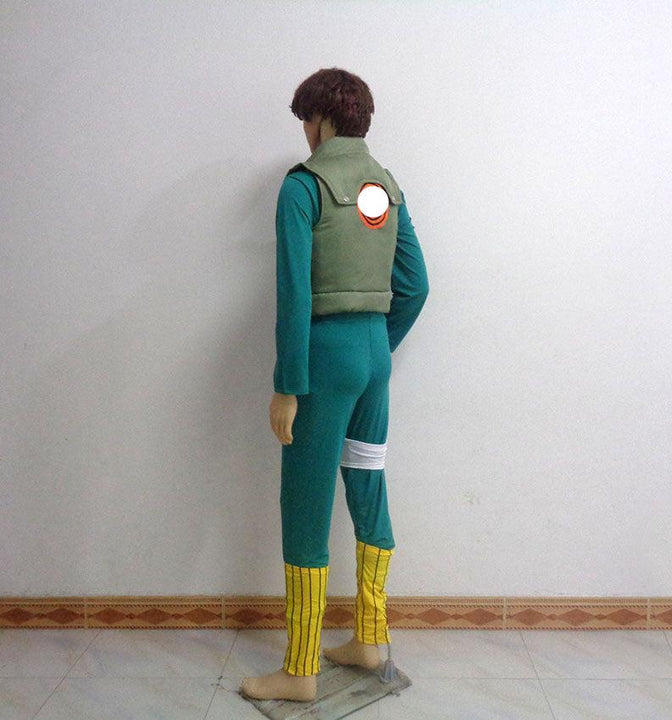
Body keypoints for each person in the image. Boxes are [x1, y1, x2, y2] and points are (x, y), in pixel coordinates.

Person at [241, 67, 429, 703]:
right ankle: (371, 640)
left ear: (320, 120)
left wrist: (288, 385)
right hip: (375, 356)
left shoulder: (303, 186)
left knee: (306, 503)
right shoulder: (386, 186)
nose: (304, 131)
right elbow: (416, 286)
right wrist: (375, 346)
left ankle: (300, 671)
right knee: (368, 486)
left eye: (305, 119)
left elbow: (295, 294)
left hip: (322, 360)